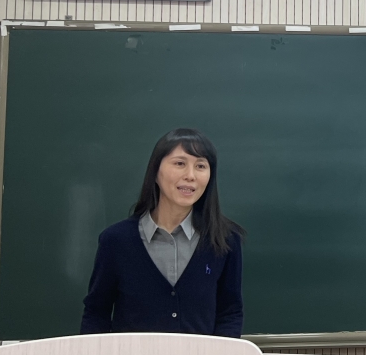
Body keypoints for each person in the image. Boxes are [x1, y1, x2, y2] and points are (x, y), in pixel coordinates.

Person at [81, 128, 246, 337]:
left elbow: (230, 313)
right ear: (156, 172)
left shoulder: (225, 239)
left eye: (201, 166)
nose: (190, 176)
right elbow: (97, 313)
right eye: (180, 163)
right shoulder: (116, 240)